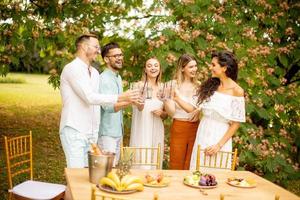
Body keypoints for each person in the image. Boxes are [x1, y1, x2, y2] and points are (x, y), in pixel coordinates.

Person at [59, 34, 139, 168]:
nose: (98, 50)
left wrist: (95, 134)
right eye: (96, 46)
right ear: (84, 47)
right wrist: (121, 97)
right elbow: (89, 97)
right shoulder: (72, 69)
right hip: (74, 130)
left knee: (88, 176)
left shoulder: (95, 73)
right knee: (76, 175)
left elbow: (98, 103)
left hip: (91, 135)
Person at [173, 51, 245, 170]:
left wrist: (218, 146)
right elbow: (193, 108)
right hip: (203, 133)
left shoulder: (237, 91)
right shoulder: (210, 86)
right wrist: (177, 98)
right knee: (197, 173)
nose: (210, 67)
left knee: (215, 174)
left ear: (224, 68)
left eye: (213, 65)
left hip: (220, 136)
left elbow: (236, 123)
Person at [97, 42, 139, 166]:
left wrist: (131, 99)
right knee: (106, 168)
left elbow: (118, 100)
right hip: (107, 133)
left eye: (121, 55)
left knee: (113, 168)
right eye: (115, 56)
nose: (120, 58)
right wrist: (130, 100)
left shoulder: (117, 77)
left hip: (117, 131)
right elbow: (109, 107)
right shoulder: (103, 78)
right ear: (106, 59)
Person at [163, 54, 200, 170]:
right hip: (179, 125)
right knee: (176, 160)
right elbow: (171, 112)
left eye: (195, 66)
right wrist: (166, 100)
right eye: (191, 67)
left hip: (195, 127)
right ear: (182, 68)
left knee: (191, 161)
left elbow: (194, 109)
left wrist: (177, 98)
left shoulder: (198, 86)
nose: (194, 69)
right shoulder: (173, 84)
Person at [129, 57, 167, 169]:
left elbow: (166, 115)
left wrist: (162, 113)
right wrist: (141, 102)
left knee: (154, 158)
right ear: (145, 70)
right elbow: (138, 107)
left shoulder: (163, 87)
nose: (153, 68)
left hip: (157, 128)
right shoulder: (138, 86)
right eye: (149, 65)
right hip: (142, 128)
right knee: (142, 158)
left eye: (156, 65)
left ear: (159, 69)